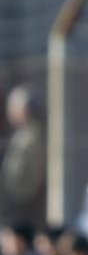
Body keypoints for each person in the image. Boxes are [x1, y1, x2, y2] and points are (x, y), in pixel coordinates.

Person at [0, 86, 46, 229]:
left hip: (22, 208)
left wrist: (17, 199)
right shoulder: (22, 135)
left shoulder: (30, 138)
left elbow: (30, 177)